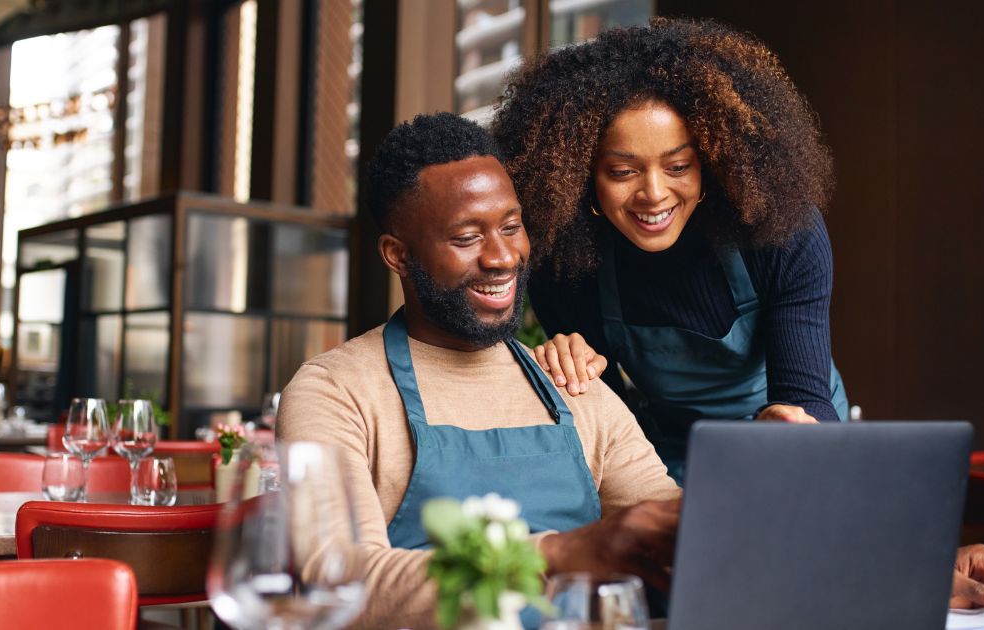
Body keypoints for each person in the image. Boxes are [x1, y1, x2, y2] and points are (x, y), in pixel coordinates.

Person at [277, 112, 681, 630]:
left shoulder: (574, 383)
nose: (503, 257)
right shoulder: (334, 391)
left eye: (511, 226)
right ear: (398, 255)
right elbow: (339, 579)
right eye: (467, 238)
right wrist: (555, 554)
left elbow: (667, 530)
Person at [492, 18, 848, 482]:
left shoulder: (781, 232)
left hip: (792, 440)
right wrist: (571, 373)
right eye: (623, 172)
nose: (655, 194)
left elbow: (806, 395)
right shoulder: (565, 263)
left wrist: (790, 427)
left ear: (712, 162)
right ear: (581, 177)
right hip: (671, 452)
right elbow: (612, 425)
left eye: (678, 165)